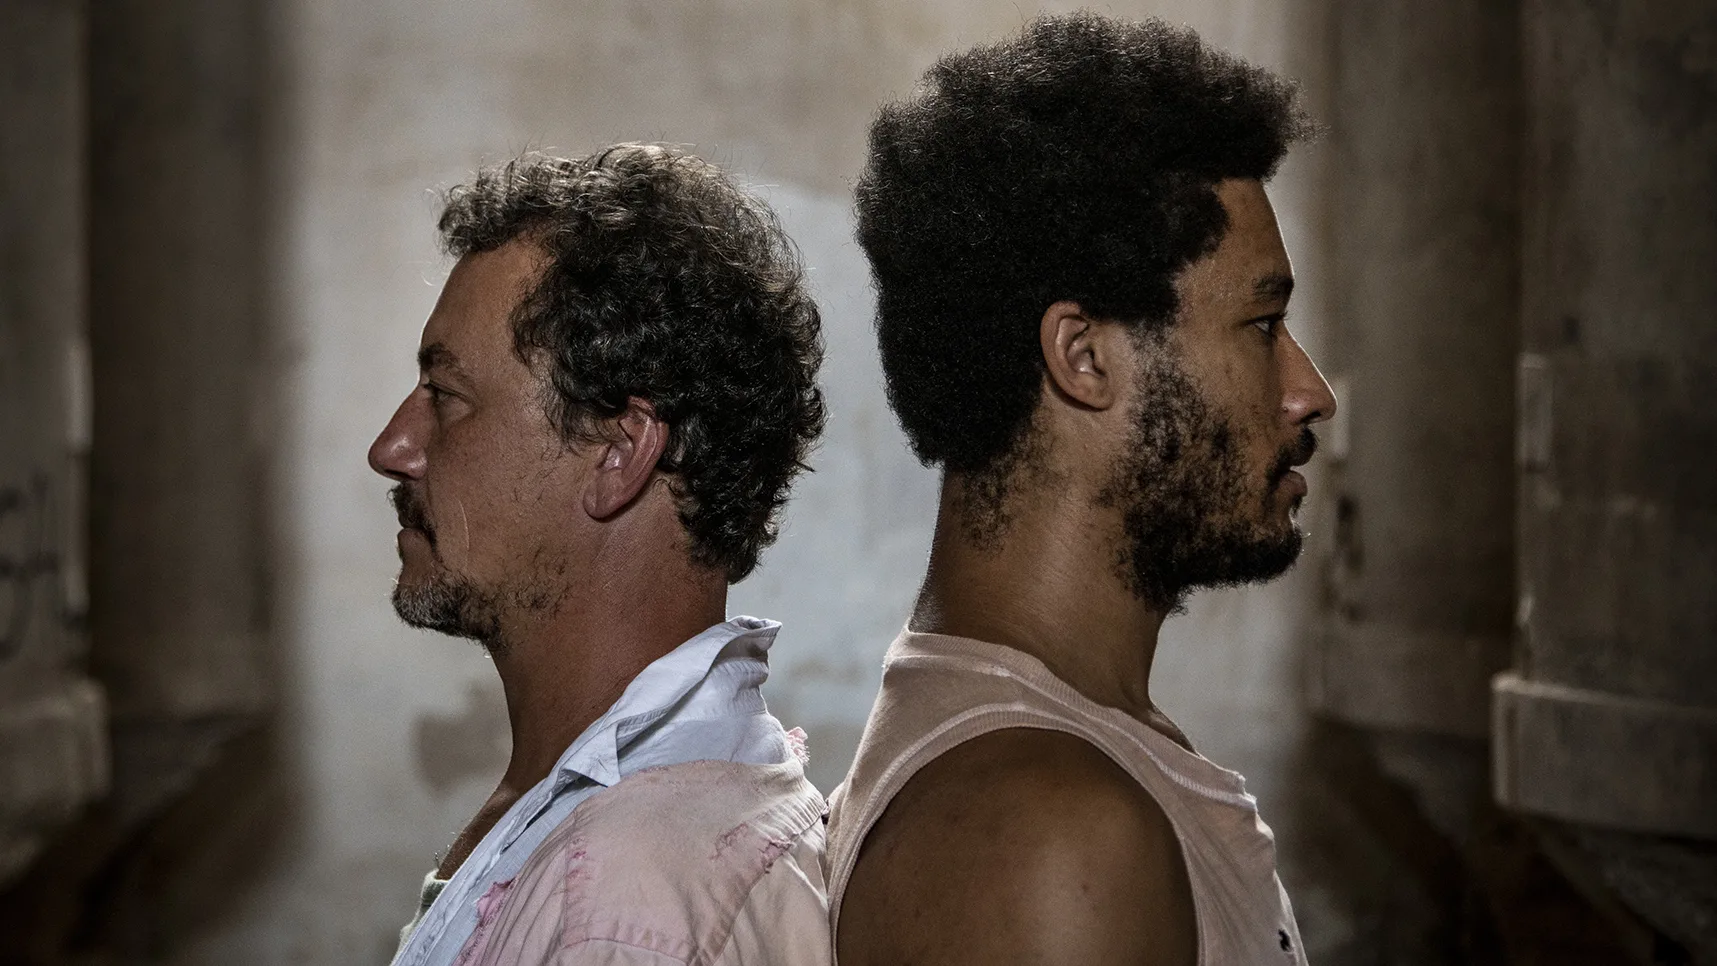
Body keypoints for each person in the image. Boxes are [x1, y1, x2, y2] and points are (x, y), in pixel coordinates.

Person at [826, 14, 1335, 966]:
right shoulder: (1041, 832)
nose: (1309, 392)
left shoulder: (1072, 756)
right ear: (1085, 357)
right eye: (1262, 326)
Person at [370, 144, 830, 966]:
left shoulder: (622, 909)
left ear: (620, 451)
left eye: (446, 396)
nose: (392, 448)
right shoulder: (603, 823)